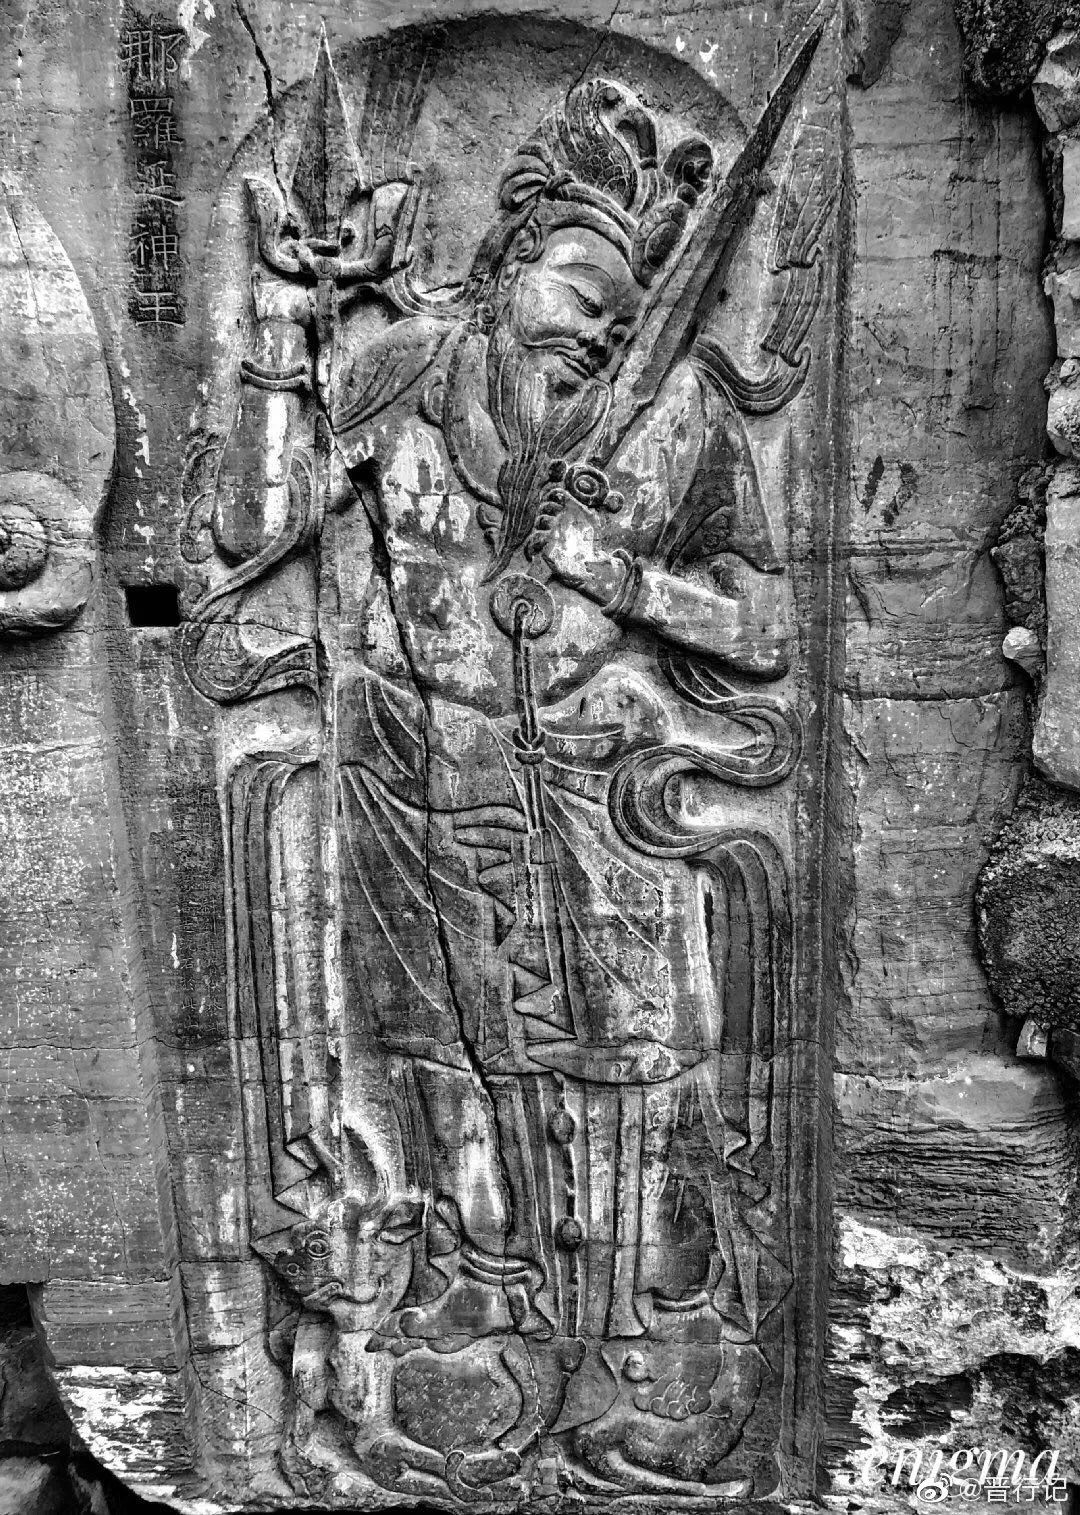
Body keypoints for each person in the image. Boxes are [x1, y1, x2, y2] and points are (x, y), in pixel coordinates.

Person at [328, 76, 793, 1488]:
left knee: (635, 1070)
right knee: (437, 1050)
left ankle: (652, 1345)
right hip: (413, 770)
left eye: (618, 314)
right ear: (510, 261)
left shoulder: (683, 418)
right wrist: (292, 345)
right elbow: (261, 533)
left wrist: (623, 576)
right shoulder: (399, 373)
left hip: (602, 785)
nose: (593, 330)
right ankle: (474, 1291)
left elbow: (764, 630)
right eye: (579, 292)